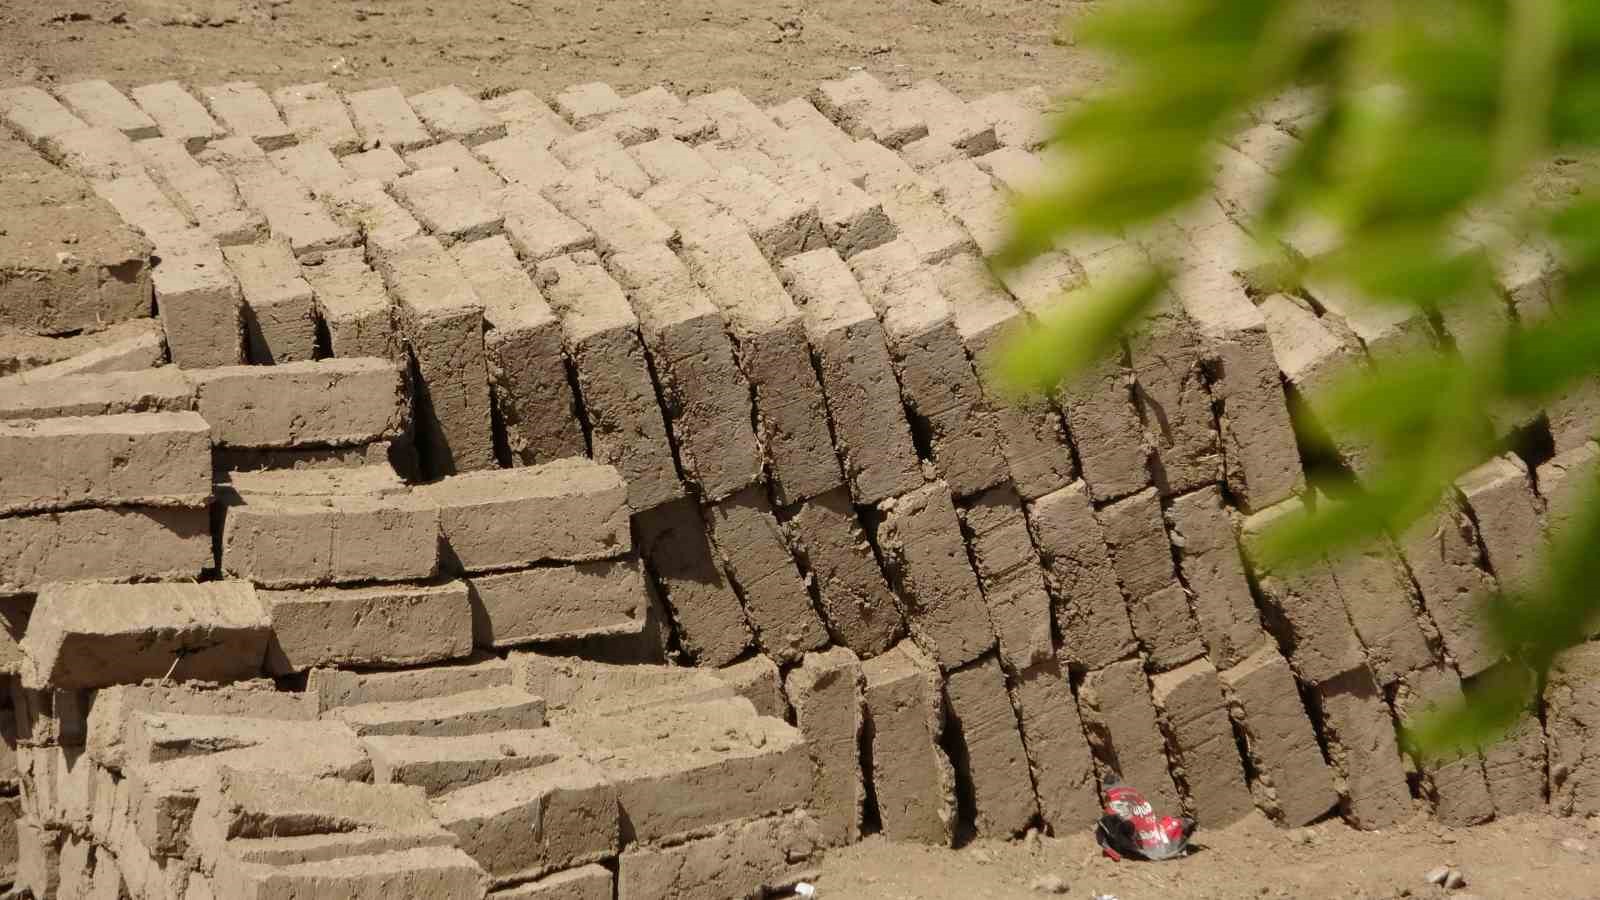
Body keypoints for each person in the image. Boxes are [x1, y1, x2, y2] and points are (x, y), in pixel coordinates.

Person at [1094, 773, 1196, 861]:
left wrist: (1116, 854)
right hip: (1155, 843)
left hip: (1143, 848)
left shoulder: (1117, 803)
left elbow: (1104, 835)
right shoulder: (1133, 797)